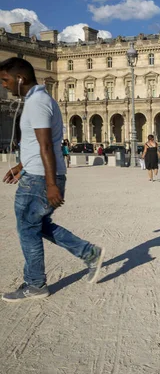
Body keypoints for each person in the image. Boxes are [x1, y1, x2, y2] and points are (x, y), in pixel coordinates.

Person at [0, 57, 105, 302]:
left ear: (20, 79)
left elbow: (45, 145)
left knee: (27, 230)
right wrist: (20, 165)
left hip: (39, 179)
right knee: (38, 225)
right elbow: (40, 144)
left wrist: (50, 184)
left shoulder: (36, 103)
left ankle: (36, 284)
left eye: (5, 80)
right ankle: (89, 253)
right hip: (38, 172)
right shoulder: (42, 100)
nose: (3, 85)